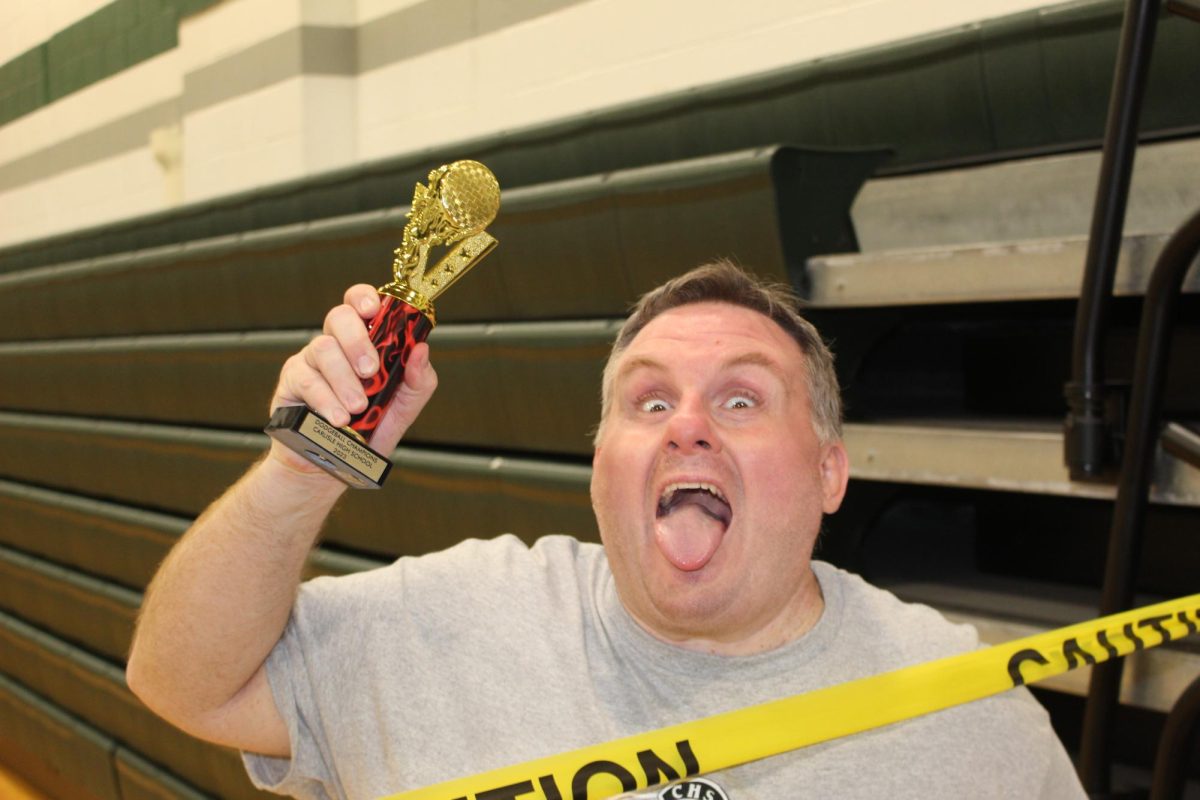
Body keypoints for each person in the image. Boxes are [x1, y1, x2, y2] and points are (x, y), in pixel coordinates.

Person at [127, 260, 1086, 799]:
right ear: (598, 470)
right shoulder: (451, 620)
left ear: (830, 473)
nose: (690, 425)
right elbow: (182, 683)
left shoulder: (972, 723)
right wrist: (300, 474)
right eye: (649, 401)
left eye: (742, 399)